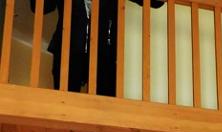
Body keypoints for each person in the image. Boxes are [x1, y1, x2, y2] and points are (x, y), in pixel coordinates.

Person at [30, 0, 163, 95]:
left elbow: (156, 2)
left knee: (105, 107)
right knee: (65, 104)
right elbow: (40, 6)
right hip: (68, 49)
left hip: (105, 53)